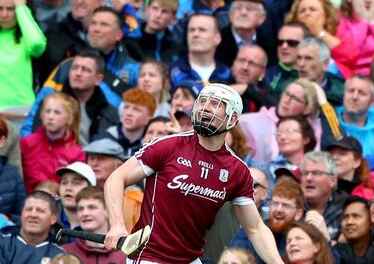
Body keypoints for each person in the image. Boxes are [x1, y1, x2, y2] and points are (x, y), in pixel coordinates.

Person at [103, 83, 285, 264]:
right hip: (150, 257)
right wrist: (117, 225)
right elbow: (117, 178)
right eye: (202, 102)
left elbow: (255, 228)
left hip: (191, 259)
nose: (205, 108)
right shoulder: (167, 146)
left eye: (215, 104)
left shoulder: (237, 170)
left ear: (233, 118)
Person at [21, 92, 84, 192]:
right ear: (42, 114)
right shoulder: (27, 143)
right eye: (47, 111)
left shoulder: (76, 152)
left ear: (69, 118)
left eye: (57, 112)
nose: (50, 117)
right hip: (31, 200)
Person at [285, 0, 357, 78]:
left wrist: (319, 32)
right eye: (302, 11)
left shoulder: (337, 35)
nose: (307, 13)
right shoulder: (289, 40)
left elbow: (350, 56)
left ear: (325, 16)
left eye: (312, 9)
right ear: (296, 18)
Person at [0, 0, 46, 107]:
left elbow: (37, 45)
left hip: (20, 109)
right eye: (0, 8)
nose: (4, 15)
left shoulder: (27, 35)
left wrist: (21, 7)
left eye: (11, 9)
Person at [62, 187, 127, 263]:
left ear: (107, 211)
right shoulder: (64, 253)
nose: (85, 213)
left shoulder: (125, 255)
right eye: (80, 209)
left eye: (92, 207)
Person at [0, 192, 65, 263]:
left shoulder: (59, 255)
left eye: (40, 211)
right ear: (21, 214)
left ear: (53, 219)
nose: (33, 215)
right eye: (29, 209)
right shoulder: (2, 242)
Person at [170, 13, 232, 86]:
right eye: (192, 30)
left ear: (217, 38)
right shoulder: (171, 72)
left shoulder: (227, 74)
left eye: (202, 30)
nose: (195, 34)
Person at [92, 88, 156, 155]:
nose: (129, 113)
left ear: (149, 117)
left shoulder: (152, 144)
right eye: (126, 107)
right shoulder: (103, 138)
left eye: (136, 110)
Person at [300, 151, 348, 239]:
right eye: (305, 173)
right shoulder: (293, 206)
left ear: (333, 180)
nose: (308, 178)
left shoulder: (346, 208)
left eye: (316, 173)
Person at [56, 161, 95, 229]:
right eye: (64, 182)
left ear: (90, 189)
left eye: (76, 183)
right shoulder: (47, 214)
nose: (68, 188)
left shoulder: (103, 222)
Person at [334, 196, 372, 264]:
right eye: (345, 217)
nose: (349, 222)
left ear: (371, 223)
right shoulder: (334, 255)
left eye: (356, 216)